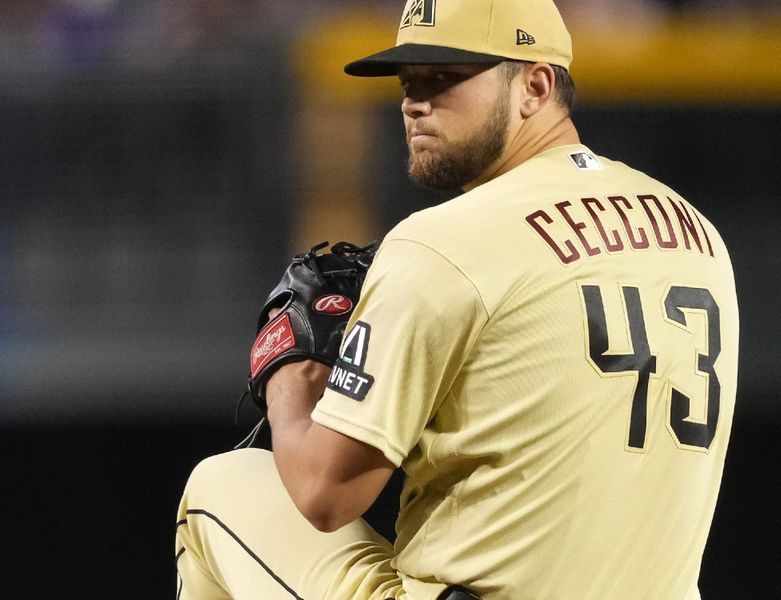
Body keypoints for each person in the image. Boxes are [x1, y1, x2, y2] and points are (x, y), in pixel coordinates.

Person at [175, 1, 739, 598]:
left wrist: (292, 369)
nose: (414, 102)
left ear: (536, 84)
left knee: (218, 486)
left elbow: (324, 494)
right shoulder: (698, 233)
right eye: (408, 81)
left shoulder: (442, 244)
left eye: (444, 77)